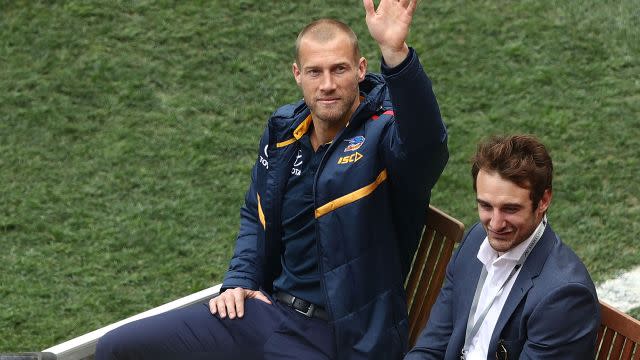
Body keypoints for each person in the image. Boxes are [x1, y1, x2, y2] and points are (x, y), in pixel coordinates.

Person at [96, 0, 448, 359]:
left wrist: (395, 53)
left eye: (339, 69)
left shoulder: (385, 136)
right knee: (116, 348)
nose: (327, 84)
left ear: (360, 70)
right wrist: (241, 278)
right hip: (267, 314)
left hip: (338, 340)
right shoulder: (284, 131)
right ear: (297, 74)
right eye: (315, 72)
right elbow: (255, 212)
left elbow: (427, 148)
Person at [405, 134, 600, 359]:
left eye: (510, 209)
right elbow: (432, 346)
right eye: (486, 206)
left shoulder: (564, 296)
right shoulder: (475, 240)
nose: (495, 224)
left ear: (544, 201)